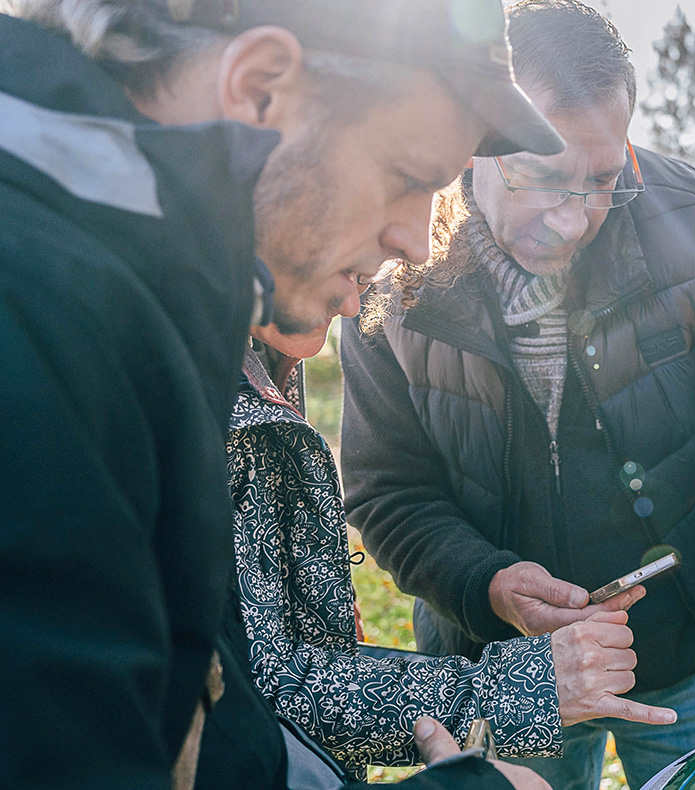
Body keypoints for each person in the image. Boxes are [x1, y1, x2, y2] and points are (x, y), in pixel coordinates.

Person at [0, 0, 568, 787]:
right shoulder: (37, 313)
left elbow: (202, 718)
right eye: (408, 178)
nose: (415, 237)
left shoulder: (134, 289)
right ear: (260, 89)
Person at [339, 2, 695, 788]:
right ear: (477, 141)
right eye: (541, 176)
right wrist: (489, 585)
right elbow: (388, 491)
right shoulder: (388, 265)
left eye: (603, 182)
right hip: (502, 674)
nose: (572, 220)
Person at [228, 273, 675, 781]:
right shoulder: (201, 388)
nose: (355, 305)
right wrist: (511, 684)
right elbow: (256, 685)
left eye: (365, 275)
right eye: (347, 265)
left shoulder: (267, 339)